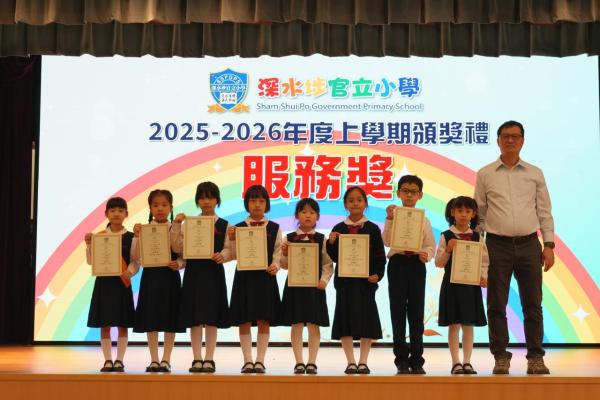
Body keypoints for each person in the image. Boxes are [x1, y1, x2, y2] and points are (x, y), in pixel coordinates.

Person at [474, 120, 555, 375]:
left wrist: (549, 244)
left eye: (515, 136)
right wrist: (476, 250)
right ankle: (500, 356)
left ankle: (536, 357)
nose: (510, 140)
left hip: (529, 244)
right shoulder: (485, 174)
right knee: (496, 304)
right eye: (505, 136)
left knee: (533, 304)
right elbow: (480, 214)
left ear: (522, 141)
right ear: (498, 140)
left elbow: (544, 211)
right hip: (496, 245)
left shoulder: (535, 173)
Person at [326, 186, 386, 375]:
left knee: (367, 321)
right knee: (345, 320)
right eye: (351, 200)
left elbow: (380, 256)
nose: (355, 203)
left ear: (365, 203)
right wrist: (331, 243)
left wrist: (378, 274)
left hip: (365, 283)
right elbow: (334, 257)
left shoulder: (373, 229)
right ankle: (350, 361)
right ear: (345, 204)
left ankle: (363, 361)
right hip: (345, 283)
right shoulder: (338, 228)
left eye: (359, 200)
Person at [175, 182, 232, 373]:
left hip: (213, 273)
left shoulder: (225, 225)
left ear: (217, 200)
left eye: (210, 197)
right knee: (195, 317)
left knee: (212, 317)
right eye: (202, 197)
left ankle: (209, 358)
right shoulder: (189, 224)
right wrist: (177, 225)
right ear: (197, 201)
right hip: (194, 273)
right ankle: (197, 358)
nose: (206, 201)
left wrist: (223, 256)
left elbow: (229, 249)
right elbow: (178, 248)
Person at [382, 175, 435, 374]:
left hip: (416, 265)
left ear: (420, 195)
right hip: (397, 264)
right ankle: (401, 360)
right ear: (398, 193)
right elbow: (387, 241)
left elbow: (430, 245)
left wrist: (426, 254)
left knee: (416, 312)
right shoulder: (393, 217)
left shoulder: (424, 220)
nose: (409, 195)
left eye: (413, 192)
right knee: (397, 311)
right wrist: (389, 219)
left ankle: (417, 360)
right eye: (405, 191)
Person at [228, 184, 282, 374]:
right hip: (244, 278)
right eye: (253, 200)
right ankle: (247, 360)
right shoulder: (237, 228)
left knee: (263, 319)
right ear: (247, 203)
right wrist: (232, 239)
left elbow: (277, 253)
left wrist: (275, 265)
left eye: (261, 201)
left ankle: (260, 360)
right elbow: (233, 255)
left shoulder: (274, 227)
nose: (257, 204)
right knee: (244, 319)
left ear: (266, 204)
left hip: (265, 278)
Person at [84, 197, 139, 372]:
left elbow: (135, 260)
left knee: (122, 324)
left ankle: (119, 360)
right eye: (113, 210)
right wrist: (89, 244)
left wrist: (129, 272)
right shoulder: (99, 237)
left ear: (126, 214)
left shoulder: (131, 237)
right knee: (105, 324)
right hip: (104, 284)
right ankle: (107, 360)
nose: (116, 214)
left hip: (122, 283)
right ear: (106, 214)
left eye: (120, 211)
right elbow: (91, 262)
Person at [133, 189, 185, 373]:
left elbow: (183, 254)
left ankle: (166, 359)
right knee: (151, 318)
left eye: (164, 205)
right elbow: (136, 257)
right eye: (156, 205)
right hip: (151, 277)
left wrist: (179, 264)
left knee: (170, 318)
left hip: (170, 277)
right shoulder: (143, 230)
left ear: (171, 207)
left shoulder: (177, 227)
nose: (160, 209)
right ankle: (154, 359)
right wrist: (136, 236)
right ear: (150, 208)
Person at [435, 196, 488, 375]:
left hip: (470, 287)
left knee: (468, 326)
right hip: (451, 286)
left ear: (473, 214)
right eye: (460, 211)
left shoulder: (477, 237)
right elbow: (438, 263)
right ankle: (455, 362)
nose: (463, 215)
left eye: (467, 211)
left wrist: (483, 276)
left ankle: (467, 362)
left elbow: (484, 261)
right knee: (454, 325)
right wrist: (448, 250)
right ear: (452, 212)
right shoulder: (446, 235)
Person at [280, 198, 333, 375]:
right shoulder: (288, 238)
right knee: (296, 324)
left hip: (314, 287)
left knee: (313, 324)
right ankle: (298, 362)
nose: (308, 215)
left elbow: (328, 264)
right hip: (294, 286)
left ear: (318, 216)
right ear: (297, 216)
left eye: (312, 212)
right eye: (303, 212)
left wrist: (324, 281)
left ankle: (312, 362)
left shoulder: (322, 239)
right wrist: (285, 254)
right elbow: (284, 265)